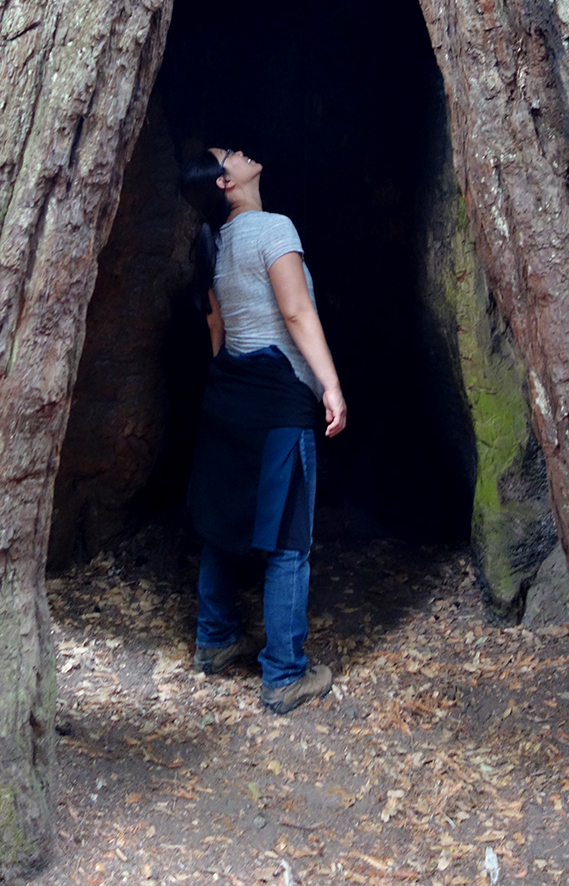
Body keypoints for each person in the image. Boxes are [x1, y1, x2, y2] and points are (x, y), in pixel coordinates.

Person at [180, 146, 347, 715]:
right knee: (288, 543)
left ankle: (216, 638)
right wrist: (330, 385)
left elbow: (216, 329)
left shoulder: (217, 244)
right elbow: (298, 313)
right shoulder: (273, 228)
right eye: (229, 154)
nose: (242, 150)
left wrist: (229, 390)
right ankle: (284, 675)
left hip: (231, 396)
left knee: (226, 522)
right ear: (227, 180)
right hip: (278, 401)